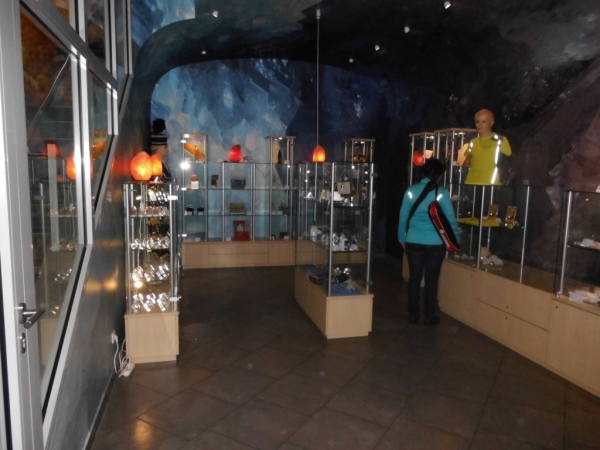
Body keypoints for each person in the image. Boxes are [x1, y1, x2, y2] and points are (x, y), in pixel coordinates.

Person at [398, 158, 459, 326]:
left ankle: (413, 314)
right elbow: (450, 220)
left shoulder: (411, 191)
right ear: (438, 175)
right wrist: (455, 239)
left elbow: (403, 217)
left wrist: (402, 238)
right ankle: (429, 316)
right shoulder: (442, 192)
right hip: (435, 243)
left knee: (414, 278)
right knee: (432, 280)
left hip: (413, 240)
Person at [463, 108, 512, 185]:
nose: (480, 125)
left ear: (491, 123)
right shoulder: (473, 142)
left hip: (490, 185)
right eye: (477, 122)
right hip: (471, 183)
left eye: (484, 122)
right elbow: (467, 159)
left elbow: (510, 159)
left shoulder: (500, 140)